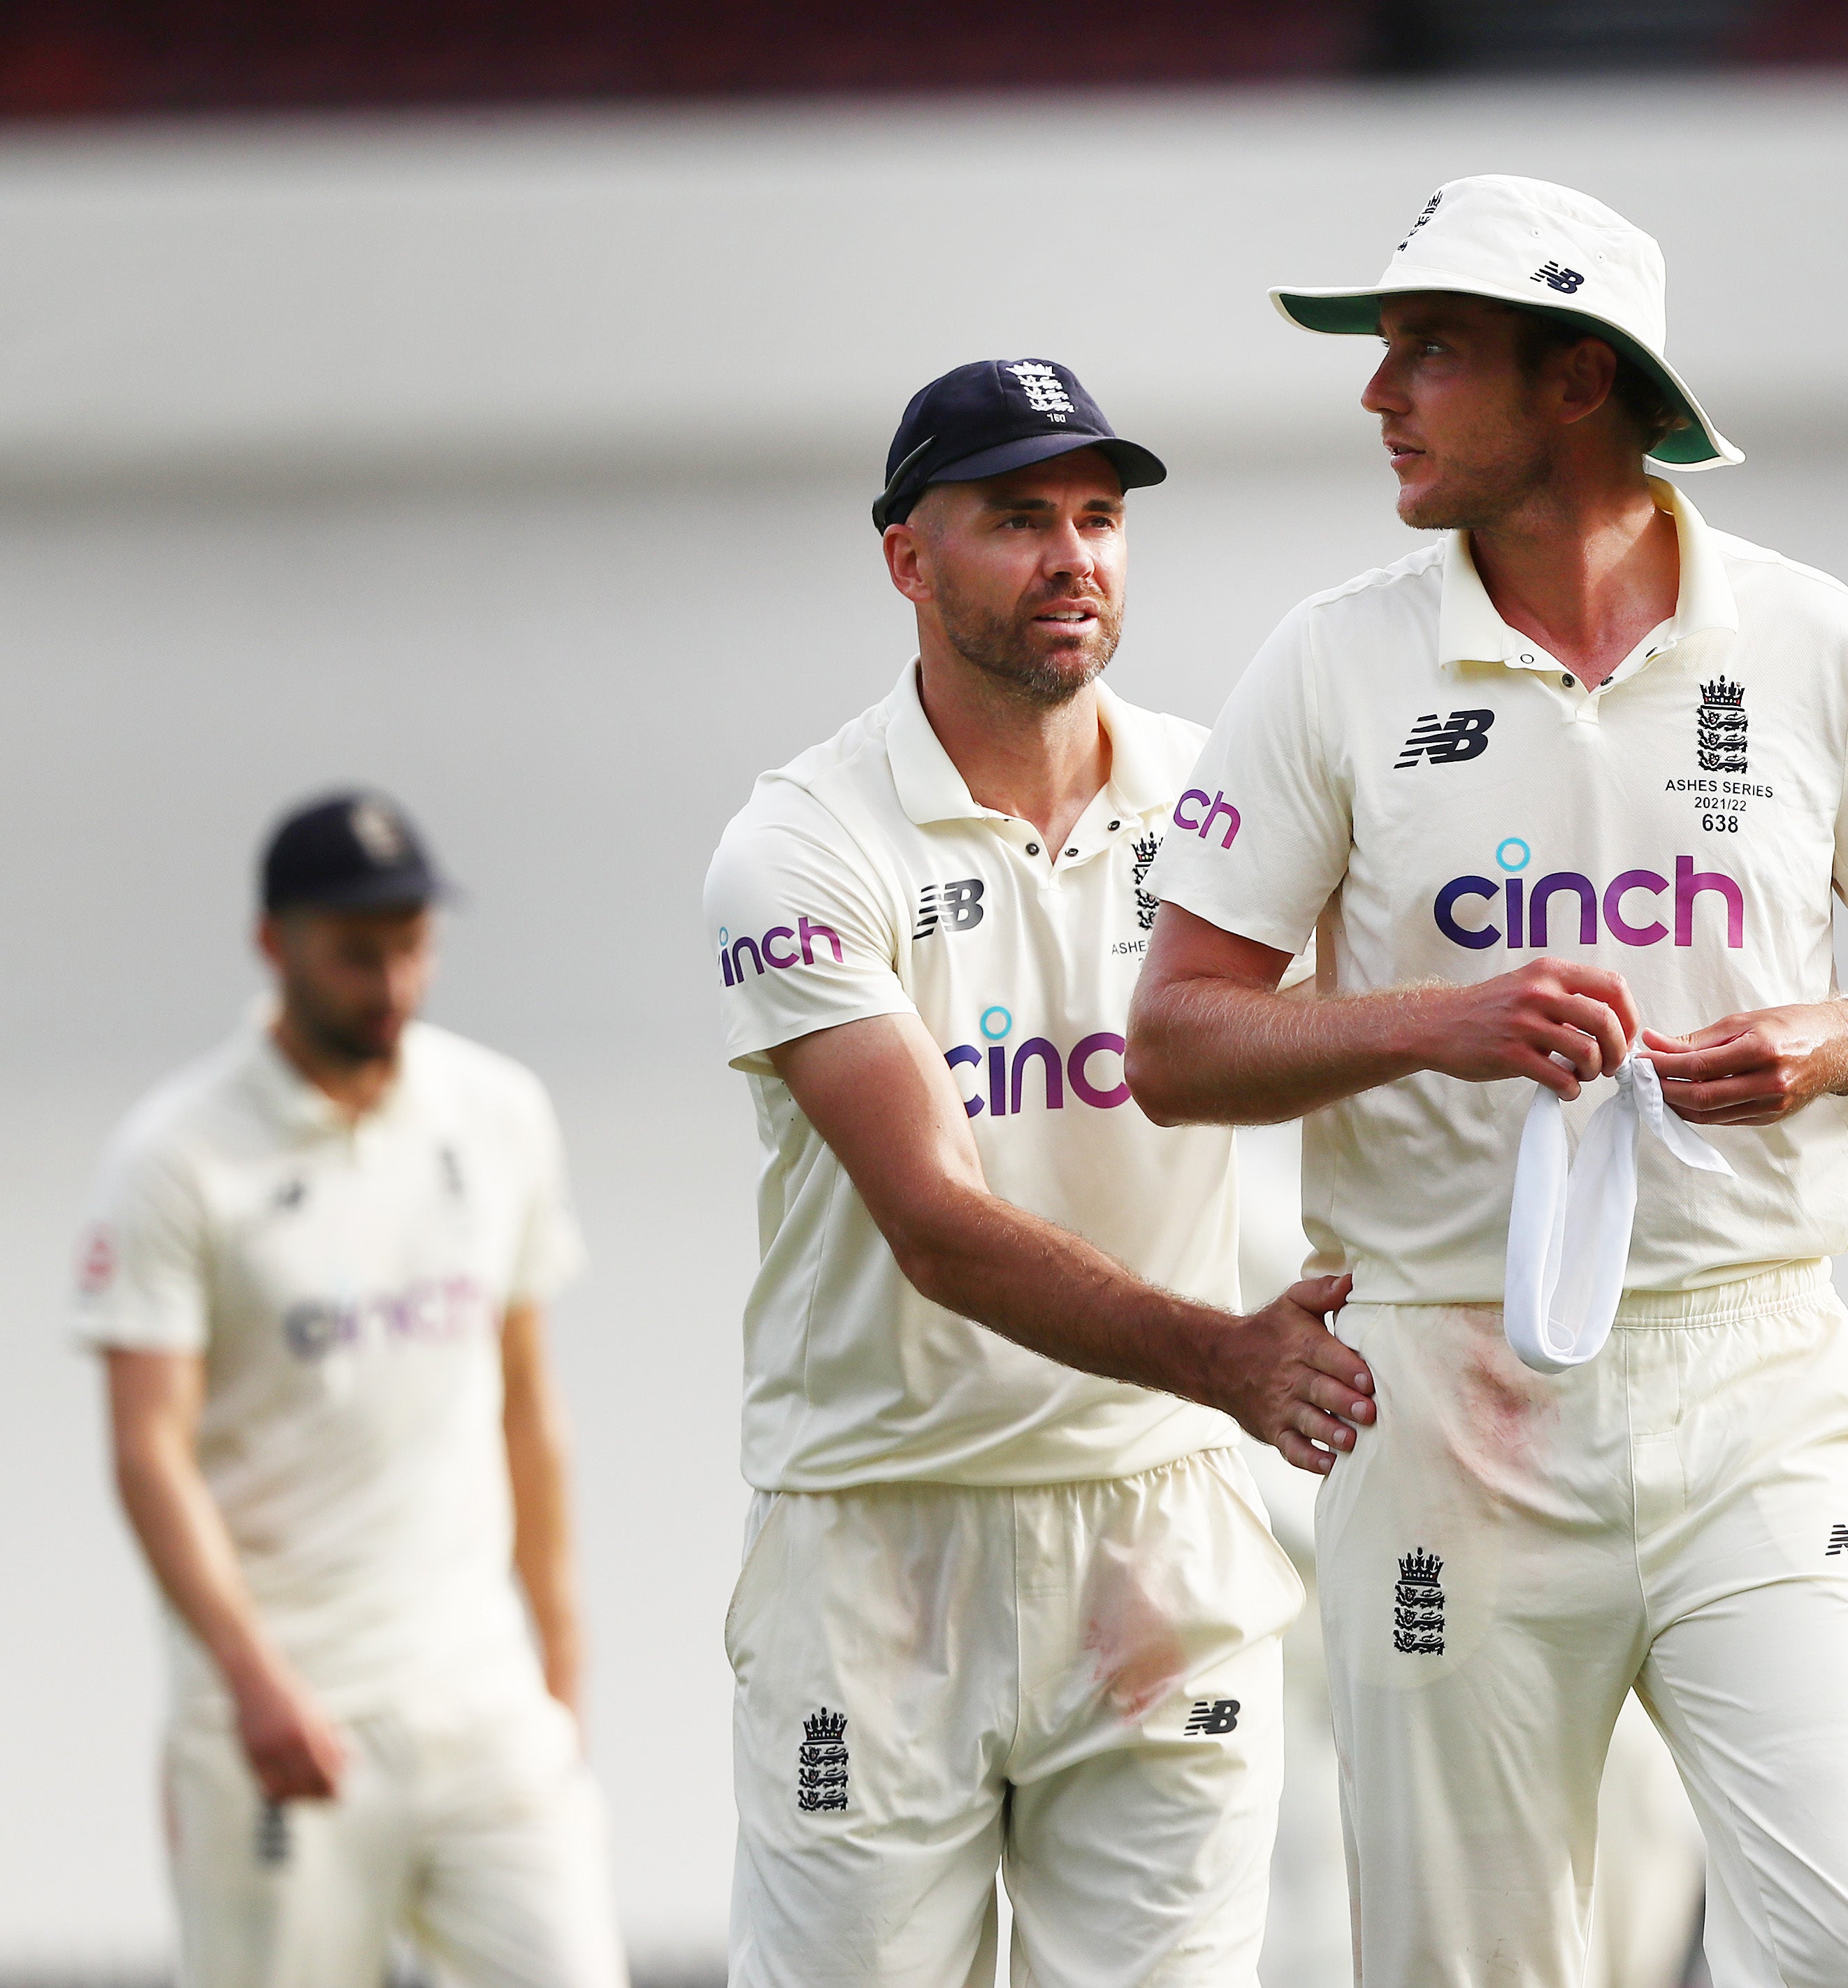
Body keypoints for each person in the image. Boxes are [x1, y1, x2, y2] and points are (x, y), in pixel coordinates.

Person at [1127, 175, 1848, 1987]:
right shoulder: (1333, 658)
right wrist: (1433, 1019)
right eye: (1383, 356)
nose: (1378, 396)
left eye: (1429, 353)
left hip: (1760, 1369)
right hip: (1449, 1392)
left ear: (1577, 383)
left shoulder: (1805, 638)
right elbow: (1176, 1038)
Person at [700, 356, 1376, 1987]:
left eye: (1098, 517)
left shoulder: (1224, 800)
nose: (1075, 555)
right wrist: (1226, 1356)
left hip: (1160, 1547)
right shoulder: (802, 844)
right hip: (882, 1553)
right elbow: (935, 1228)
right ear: (909, 561)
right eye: (1018, 519)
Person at [78, 791, 625, 1988]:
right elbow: (147, 1452)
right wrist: (252, 1682)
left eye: (415, 947)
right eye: (357, 954)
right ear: (274, 945)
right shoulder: (176, 1159)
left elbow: (527, 1402)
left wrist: (560, 1675)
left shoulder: (496, 1114)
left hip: (481, 1705)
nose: (394, 983)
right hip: (282, 1724)